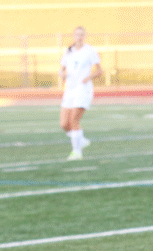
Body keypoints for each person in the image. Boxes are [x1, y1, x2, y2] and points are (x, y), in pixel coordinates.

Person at [59, 26, 102, 160]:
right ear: (73, 36)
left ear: (85, 36)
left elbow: (99, 70)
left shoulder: (89, 51)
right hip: (69, 89)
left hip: (83, 89)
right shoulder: (69, 51)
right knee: (64, 124)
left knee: (74, 121)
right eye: (77, 34)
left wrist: (88, 78)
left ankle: (77, 152)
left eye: (82, 35)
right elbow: (62, 69)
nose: (79, 37)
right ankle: (81, 140)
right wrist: (62, 74)